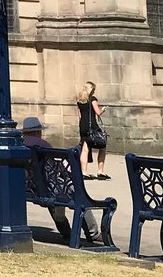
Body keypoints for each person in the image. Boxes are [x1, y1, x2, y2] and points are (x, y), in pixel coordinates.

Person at [21, 115, 100, 243]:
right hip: (48, 187)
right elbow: (53, 168)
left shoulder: (19, 145)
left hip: (29, 187)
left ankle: (65, 231)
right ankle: (93, 233)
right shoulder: (43, 145)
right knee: (76, 193)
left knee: (52, 193)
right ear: (38, 132)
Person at [76, 81, 109, 179]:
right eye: (93, 89)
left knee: (85, 149)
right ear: (91, 89)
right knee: (102, 146)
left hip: (83, 125)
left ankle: (84, 172)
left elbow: (80, 114)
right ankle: (100, 171)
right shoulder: (93, 99)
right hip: (92, 126)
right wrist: (103, 110)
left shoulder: (80, 99)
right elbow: (97, 112)